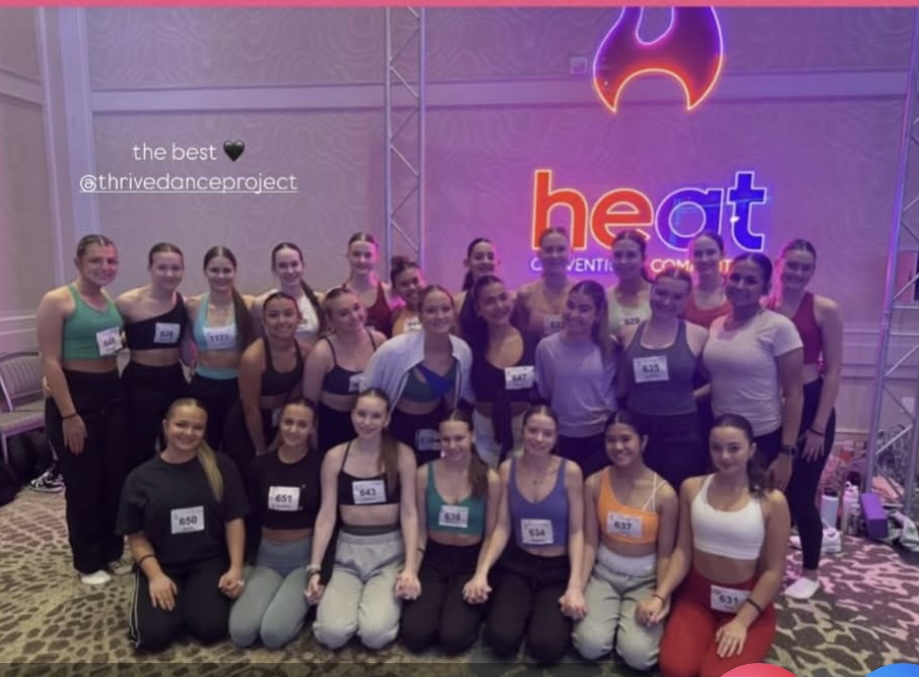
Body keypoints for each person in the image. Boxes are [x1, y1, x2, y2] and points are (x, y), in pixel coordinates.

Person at [646, 414, 790, 677]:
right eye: (716, 448)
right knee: (675, 669)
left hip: (748, 603)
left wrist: (742, 622)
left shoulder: (772, 501)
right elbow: (682, 552)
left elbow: (773, 571)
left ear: (751, 450)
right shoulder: (691, 488)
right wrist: (660, 595)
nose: (724, 456)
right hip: (697, 599)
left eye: (734, 448)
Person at [117, 399, 248, 652]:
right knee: (153, 636)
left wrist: (235, 568)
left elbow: (234, 519)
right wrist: (155, 577)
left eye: (197, 427)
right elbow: (136, 536)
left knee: (210, 628)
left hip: (207, 560)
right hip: (162, 563)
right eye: (181, 425)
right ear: (166, 426)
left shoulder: (221, 466)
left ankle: (191, 606)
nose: (189, 433)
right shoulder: (140, 478)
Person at [463, 405, 586, 665]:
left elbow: (577, 532)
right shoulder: (507, 469)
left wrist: (575, 585)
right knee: (501, 641)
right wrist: (481, 572)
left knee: (546, 647)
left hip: (557, 569)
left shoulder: (571, 472)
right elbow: (502, 527)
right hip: (519, 564)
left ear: (556, 436)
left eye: (547, 433)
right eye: (533, 431)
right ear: (522, 431)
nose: (539, 439)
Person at [36, 234, 127, 585]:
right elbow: (50, 360)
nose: (105, 267)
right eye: (96, 261)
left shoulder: (109, 300)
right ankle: (88, 561)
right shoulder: (58, 300)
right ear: (78, 263)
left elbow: (109, 344)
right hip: (75, 396)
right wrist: (69, 415)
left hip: (111, 392)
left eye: (111, 261)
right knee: (83, 483)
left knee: (112, 477)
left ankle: (110, 550)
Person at [307, 388, 421, 650]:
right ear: (352, 415)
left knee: (374, 635)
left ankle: (377, 607)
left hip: (389, 553)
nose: (367, 422)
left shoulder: (403, 454)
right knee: (331, 634)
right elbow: (326, 516)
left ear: (387, 419)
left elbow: (409, 513)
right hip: (347, 553)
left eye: (375, 416)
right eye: (362, 414)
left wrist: (410, 568)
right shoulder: (335, 457)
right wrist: (314, 569)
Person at [766, 239, 843, 600]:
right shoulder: (765, 307)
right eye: (791, 265)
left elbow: (833, 371)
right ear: (778, 265)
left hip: (812, 405)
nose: (797, 273)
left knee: (800, 492)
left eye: (805, 268)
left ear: (812, 272)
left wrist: (818, 427)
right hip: (775, 407)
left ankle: (810, 571)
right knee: (772, 490)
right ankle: (770, 561)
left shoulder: (824, 309)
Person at [572, 410, 678, 670]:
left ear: (643, 441)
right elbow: (589, 542)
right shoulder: (594, 483)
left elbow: (666, 554)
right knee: (589, 645)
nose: (618, 447)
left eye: (626, 439)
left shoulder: (664, 494)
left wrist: (661, 597)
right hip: (604, 575)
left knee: (639, 657)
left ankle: (626, 630)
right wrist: (576, 587)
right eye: (611, 440)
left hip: (645, 580)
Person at [400, 409, 501, 655]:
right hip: (434, 558)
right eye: (446, 439)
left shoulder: (490, 479)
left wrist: (481, 574)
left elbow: (491, 534)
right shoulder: (424, 474)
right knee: (415, 635)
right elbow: (420, 529)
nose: (452, 445)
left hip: (470, 561)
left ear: (472, 436)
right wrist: (411, 569)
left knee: (453, 639)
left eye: (459, 438)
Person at [701, 254, 804, 491]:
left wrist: (786, 453)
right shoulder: (716, 325)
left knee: (759, 507)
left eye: (750, 281)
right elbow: (720, 380)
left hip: (761, 438)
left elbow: (794, 393)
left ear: (765, 288)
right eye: (735, 277)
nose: (740, 285)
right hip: (720, 437)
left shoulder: (779, 327)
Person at [229, 400, 322, 649]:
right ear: (279, 423)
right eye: (288, 422)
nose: (293, 430)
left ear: (312, 428)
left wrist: (319, 570)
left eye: (302, 424)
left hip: (303, 560)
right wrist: (242, 563)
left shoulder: (320, 465)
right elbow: (251, 514)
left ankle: (298, 605)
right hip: (267, 557)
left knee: (272, 634)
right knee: (241, 633)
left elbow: (327, 520)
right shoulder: (260, 465)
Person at [362, 285, 474, 466]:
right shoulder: (394, 350)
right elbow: (367, 389)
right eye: (431, 310)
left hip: (435, 424)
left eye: (445, 309)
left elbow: (462, 395)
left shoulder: (462, 350)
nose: (440, 316)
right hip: (397, 425)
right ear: (420, 316)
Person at [618, 268, 708, 491]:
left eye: (677, 297)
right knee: (637, 492)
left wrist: (688, 398)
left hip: (681, 431)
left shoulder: (698, 334)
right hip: (636, 426)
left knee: (677, 492)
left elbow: (717, 380)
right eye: (661, 293)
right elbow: (621, 387)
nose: (666, 302)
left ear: (686, 299)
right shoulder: (627, 333)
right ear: (651, 291)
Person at [117, 242, 190, 470]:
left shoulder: (185, 303)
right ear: (150, 268)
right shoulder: (127, 303)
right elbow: (102, 342)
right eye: (162, 268)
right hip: (139, 382)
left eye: (175, 268)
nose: (169, 274)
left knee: (178, 442)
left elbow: (189, 351)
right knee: (139, 446)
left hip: (174, 379)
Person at [535, 280, 618, 478]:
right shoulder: (546, 348)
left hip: (601, 436)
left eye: (584, 309)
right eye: (570, 306)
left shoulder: (610, 347)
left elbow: (618, 388)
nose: (573, 314)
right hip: (562, 436)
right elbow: (546, 390)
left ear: (598, 314)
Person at [224, 292, 309, 468]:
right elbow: (250, 409)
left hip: (281, 420)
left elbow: (295, 397)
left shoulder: (306, 352)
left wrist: (279, 438)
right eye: (273, 315)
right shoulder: (253, 358)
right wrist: (261, 449)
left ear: (299, 318)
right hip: (249, 425)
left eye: (288, 314)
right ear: (264, 321)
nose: (281, 321)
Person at [186, 246, 256, 450]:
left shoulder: (250, 304)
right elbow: (184, 342)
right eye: (214, 270)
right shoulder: (193, 306)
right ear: (205, 271)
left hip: (238, 386)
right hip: (204, 385)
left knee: (238, 446)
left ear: (235, 271)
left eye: (227, 270)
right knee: (205, 445)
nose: (221, 276)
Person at [466, 274, 539, 467]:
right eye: (489, 301)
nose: (499, 306)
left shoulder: (532, 341)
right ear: (478, 309)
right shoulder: (470, 347)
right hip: (484, 434)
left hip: (524, 432)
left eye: (503, 297)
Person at [303, 287, 386, 454]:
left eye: (356, 308)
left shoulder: (379, 341)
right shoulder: (322, 353)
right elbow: (309, 405)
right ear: (330, 320)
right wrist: (312, 443)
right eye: (344, 313)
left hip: (371, 424)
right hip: (334, 426)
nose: (354, 316)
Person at [252, 242, 326, 345]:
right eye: (282, 266)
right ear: (274, 269)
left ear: (303, 265)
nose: (290, 271)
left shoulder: (319, 300)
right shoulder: (260, 304)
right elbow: (258, 342)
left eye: (294, 264)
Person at [514, 227, 575, 338]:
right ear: (539, 254)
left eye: (561, 249)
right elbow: (522, 336)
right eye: (549, 250)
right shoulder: (526, 294)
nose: (555, 255)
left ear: (571, 252)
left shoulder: (581, 293)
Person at [341, 232, 393, 336]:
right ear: (348, 256)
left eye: (368, 255)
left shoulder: (390, 293)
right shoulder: (337, 295)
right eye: (356, 254)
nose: (362, 260)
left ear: (376, 257)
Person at [606, 230, 652, 341]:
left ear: (643, 259)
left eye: (631, 255)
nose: (623, 261)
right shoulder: (604, 298)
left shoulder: (658, 296)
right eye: (618, 255)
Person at [454, 238, 500, 338]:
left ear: (498, 262)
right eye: (479, 257)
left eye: (490, 257)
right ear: (467, 263)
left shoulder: (511, 300)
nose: (485, 261)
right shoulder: (457, 302)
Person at [683, 232, 731, 329]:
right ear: (690, 258)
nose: (704, 259)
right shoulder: (684, 294)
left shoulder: (735, 292)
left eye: (710, 253)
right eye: (698, 254)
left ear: (722, 254)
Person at [390, 255, 425, 336]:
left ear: (424, 280)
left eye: (415, 281)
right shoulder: (396, 315)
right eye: (404, 284)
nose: (412, 287)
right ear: (395, 289)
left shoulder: (441, 310)